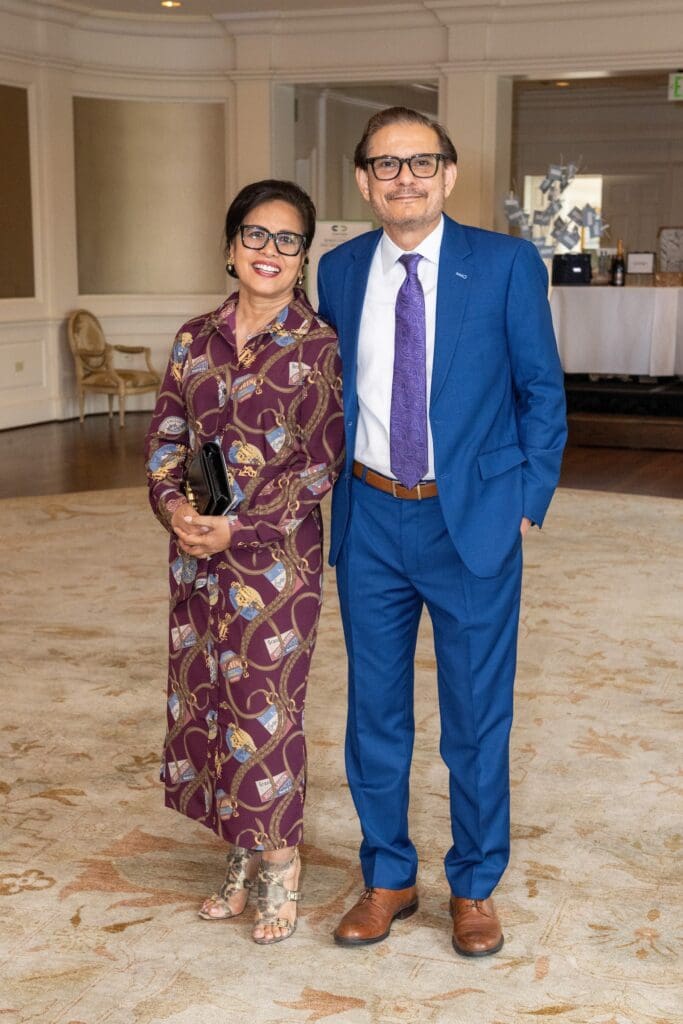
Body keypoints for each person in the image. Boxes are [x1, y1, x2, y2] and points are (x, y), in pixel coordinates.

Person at [317, 107, 567, 957]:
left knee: (474, 717)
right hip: (372, 516)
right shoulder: (340, 270)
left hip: (472, 522)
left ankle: (473, 885)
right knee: (375, 713)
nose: (405, 179)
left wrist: (524, 497)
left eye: (421, 163)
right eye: (385, 166)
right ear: (363, 181)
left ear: (448, 175)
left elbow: (541, 388)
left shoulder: (502, 264)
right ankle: (388, 878)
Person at [145, 179, 344, 945]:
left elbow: (318, 463)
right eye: (254, 236)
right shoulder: (193, 338)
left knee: (265, 707)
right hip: (196, 553)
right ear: (229, 248)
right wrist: (176, 511)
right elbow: (167, 434)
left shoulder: (315, 343)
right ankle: (239, 851)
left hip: (275, 560)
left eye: (287, 240)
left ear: (303, 257)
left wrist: (243, 529)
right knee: (209, 702)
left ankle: (281, 863)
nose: (269, 251)